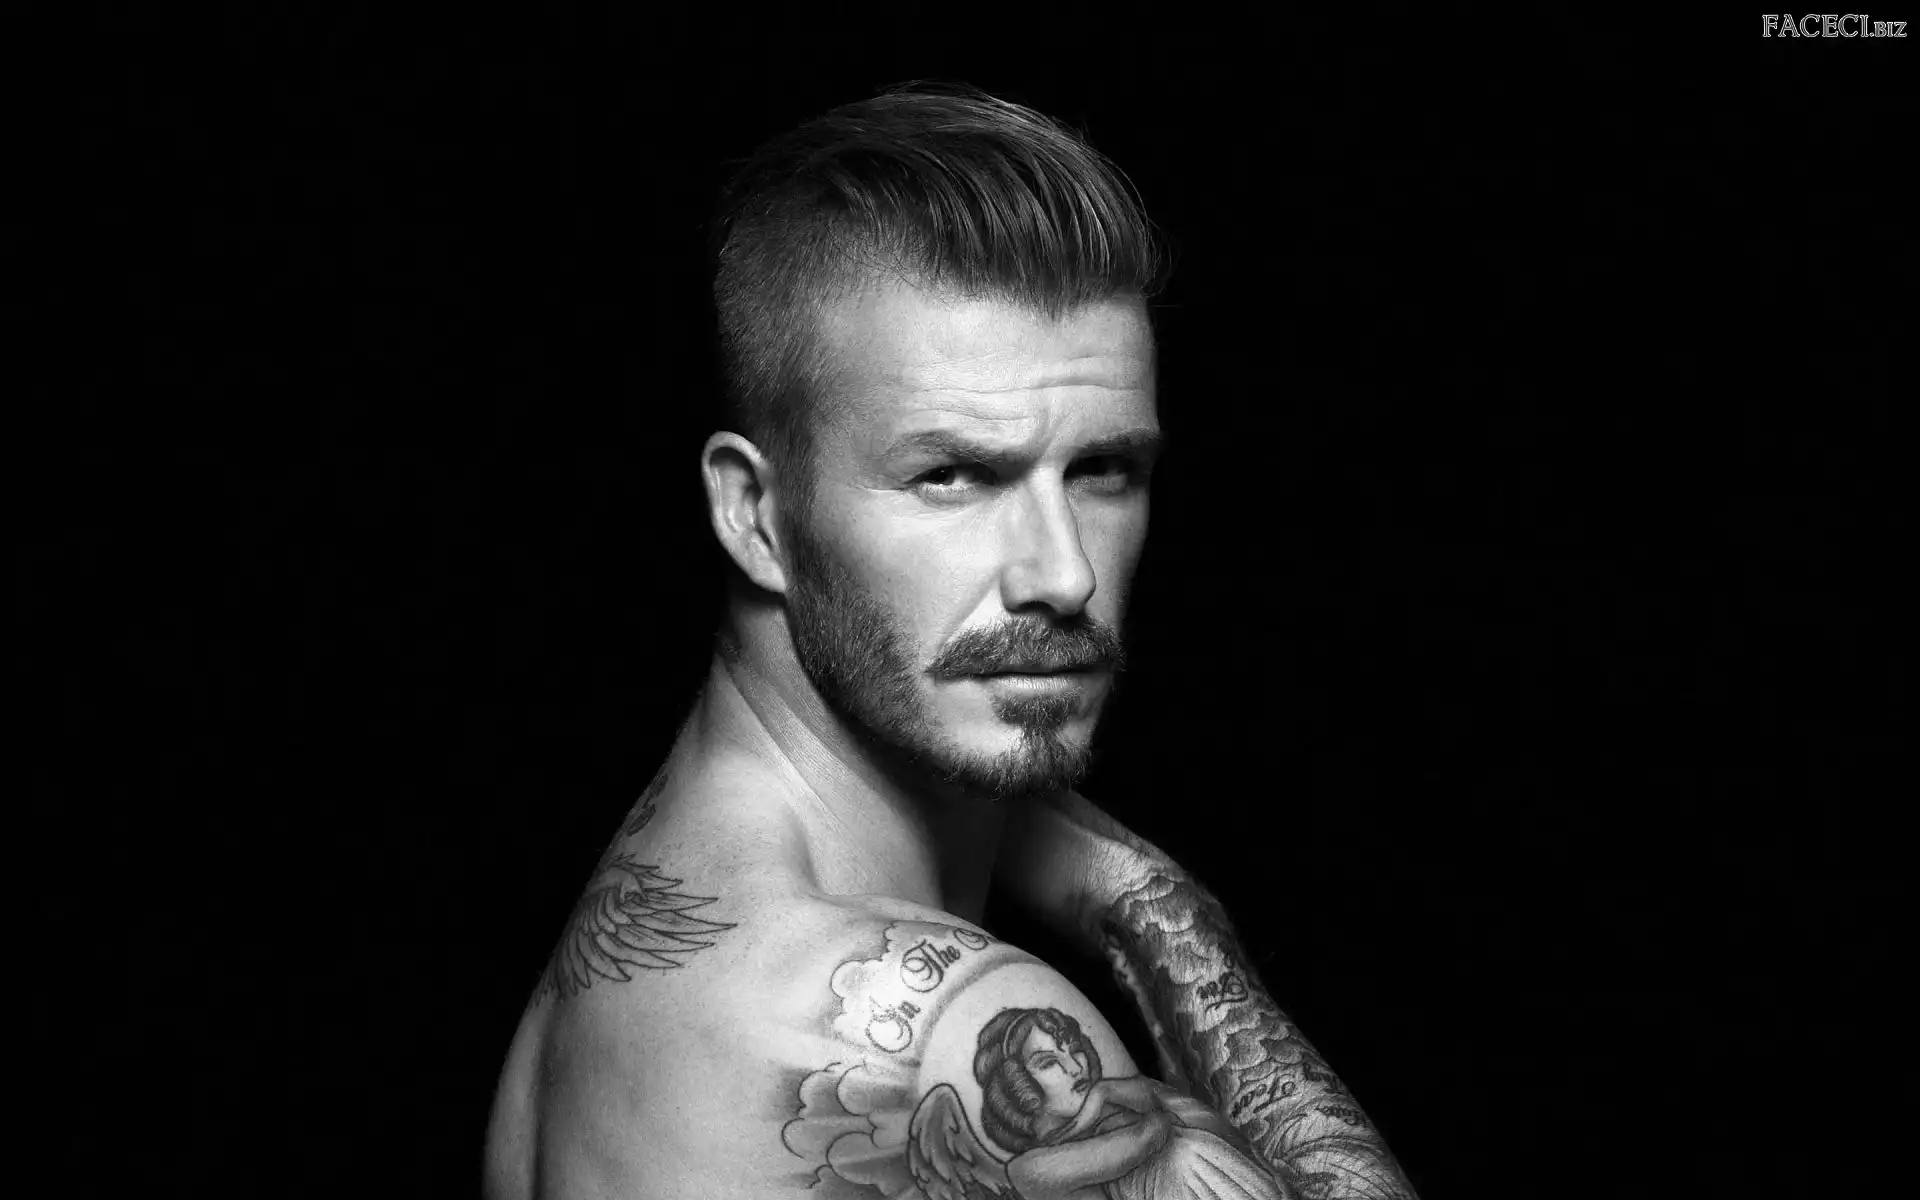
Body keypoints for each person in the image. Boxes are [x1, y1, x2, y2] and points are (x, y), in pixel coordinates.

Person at [483, 82, 1418, 1200]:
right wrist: (1150, 903)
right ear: (754, 516)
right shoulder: (938, 1031)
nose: (1063, 576)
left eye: (1103, 469)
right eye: (953, 476)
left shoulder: (656, 919)